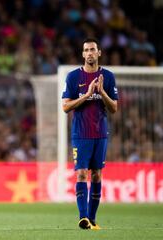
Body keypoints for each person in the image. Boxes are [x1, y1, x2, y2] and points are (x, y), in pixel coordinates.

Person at [62, 38, 118, 230]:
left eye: (93, 49)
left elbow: (114, 108)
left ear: (99, 53)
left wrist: (102, 92)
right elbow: (65, 106)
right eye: (86, 50)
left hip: (100, 133)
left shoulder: (108, 77)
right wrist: (86, 95)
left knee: (96, 175)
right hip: (81, 133)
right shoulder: (73, 77)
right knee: (81, 174)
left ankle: (92, 220)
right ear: (83, 54)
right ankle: (83, 217)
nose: (90, 53)